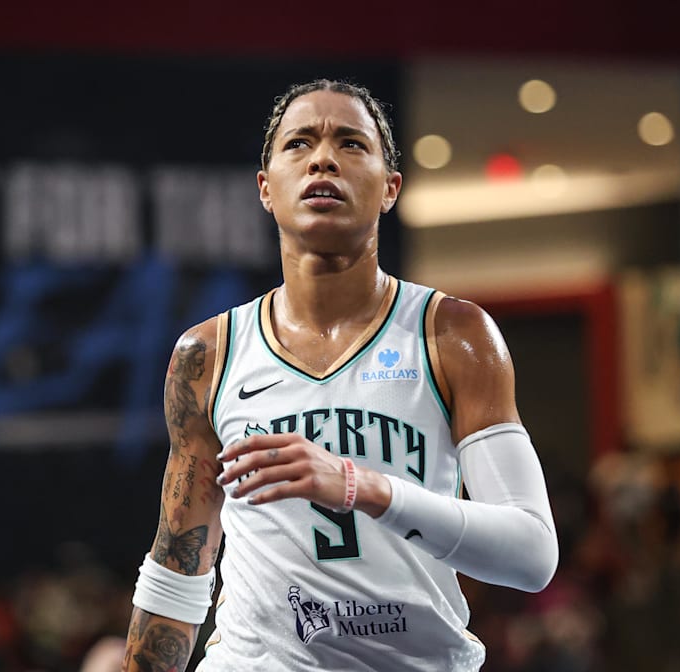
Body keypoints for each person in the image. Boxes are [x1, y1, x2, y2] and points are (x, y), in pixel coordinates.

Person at [123, 79, 559, 672]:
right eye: (299, 143)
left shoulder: (454, 335)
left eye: (351, 143)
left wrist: (361, 486)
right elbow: (179, 567)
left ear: (390, 187)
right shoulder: (209, 354)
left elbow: (532, 554)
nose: (322, 159)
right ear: (265, 188)